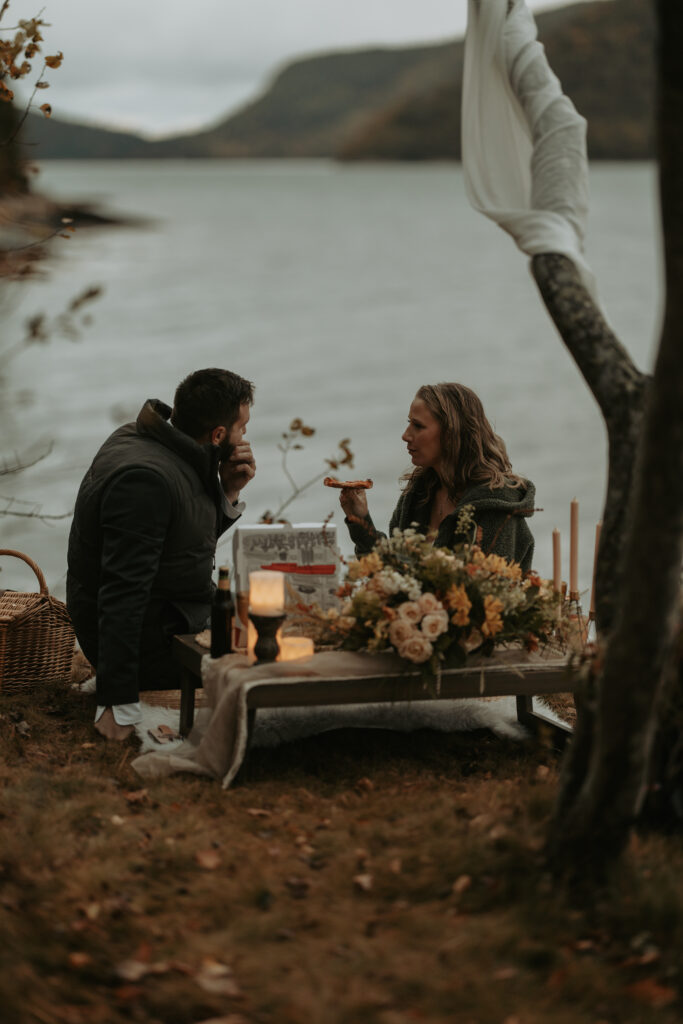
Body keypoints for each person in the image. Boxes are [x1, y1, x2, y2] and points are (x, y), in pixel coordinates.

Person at [66, 368, 256, 741]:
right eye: (242, 429)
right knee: (268, 656)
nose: (244, 437)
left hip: (164, 617)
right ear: (218, 436)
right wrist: (118, 701)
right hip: (151, 646)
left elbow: (175, 543)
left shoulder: (151, 442)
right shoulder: (147, 480)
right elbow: (123, 590)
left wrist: (228, 493)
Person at [340, 382, 535, 571]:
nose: (406, 435)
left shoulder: (496, 506)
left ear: (451, 434)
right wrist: (360, 519)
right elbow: (393, 575)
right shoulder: (418, 494)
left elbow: (492, 595)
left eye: (418, 426)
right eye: (409, 423)